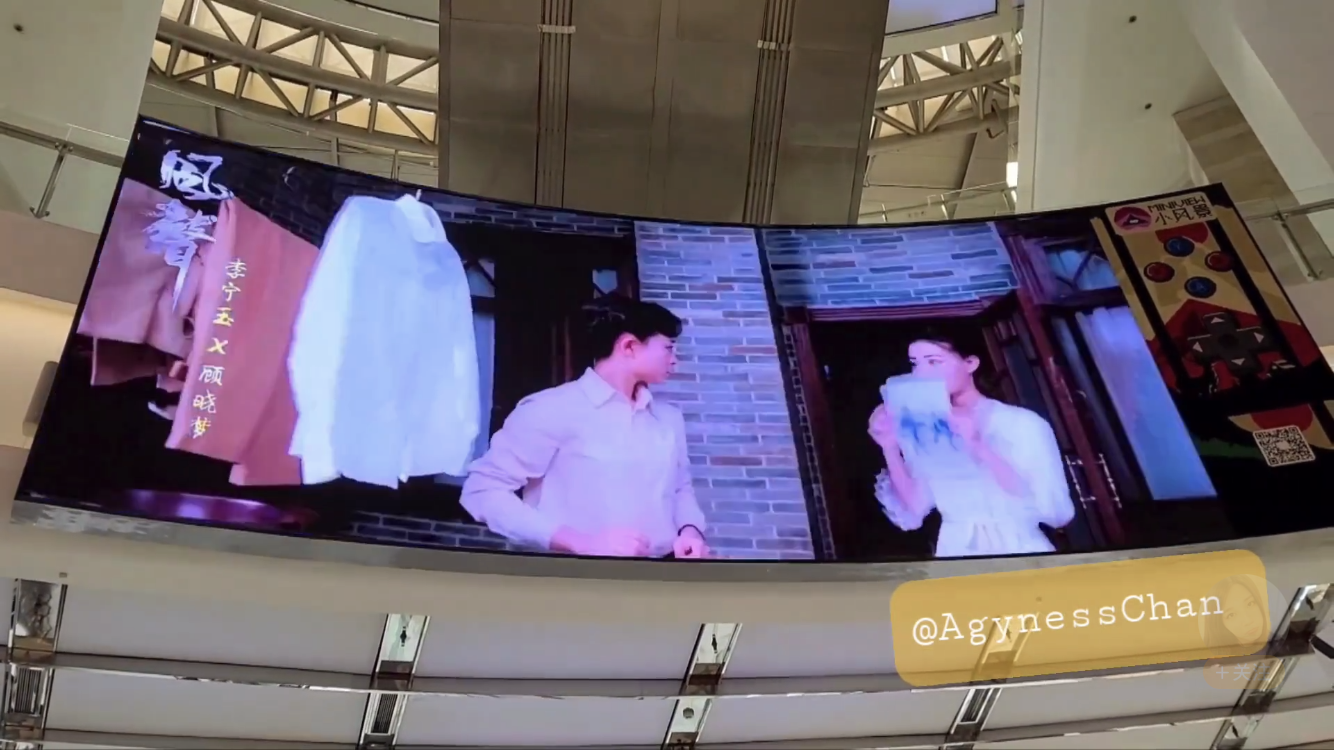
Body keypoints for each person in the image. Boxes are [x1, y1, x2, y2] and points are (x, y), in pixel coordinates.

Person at [461, 295, 709, 559]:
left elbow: (680, 489)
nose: (674, 360)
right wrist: (579, 542)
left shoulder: (668, 419)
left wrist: (690, 532)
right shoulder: (551, 409)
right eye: (668, 348)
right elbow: (482, 490)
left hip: (662, 572)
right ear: (629, 346)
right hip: (575, 575)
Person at [866, 330, 1074, 557]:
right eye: (915, 364)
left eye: (934, 362)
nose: (922, 373)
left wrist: (978, 446)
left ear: (970, 363)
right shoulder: (924, 427)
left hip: (1020, 547)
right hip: (955, 549)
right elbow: (915, 508)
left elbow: (1055, 511)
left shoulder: (1020, 422)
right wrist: (889, 447)